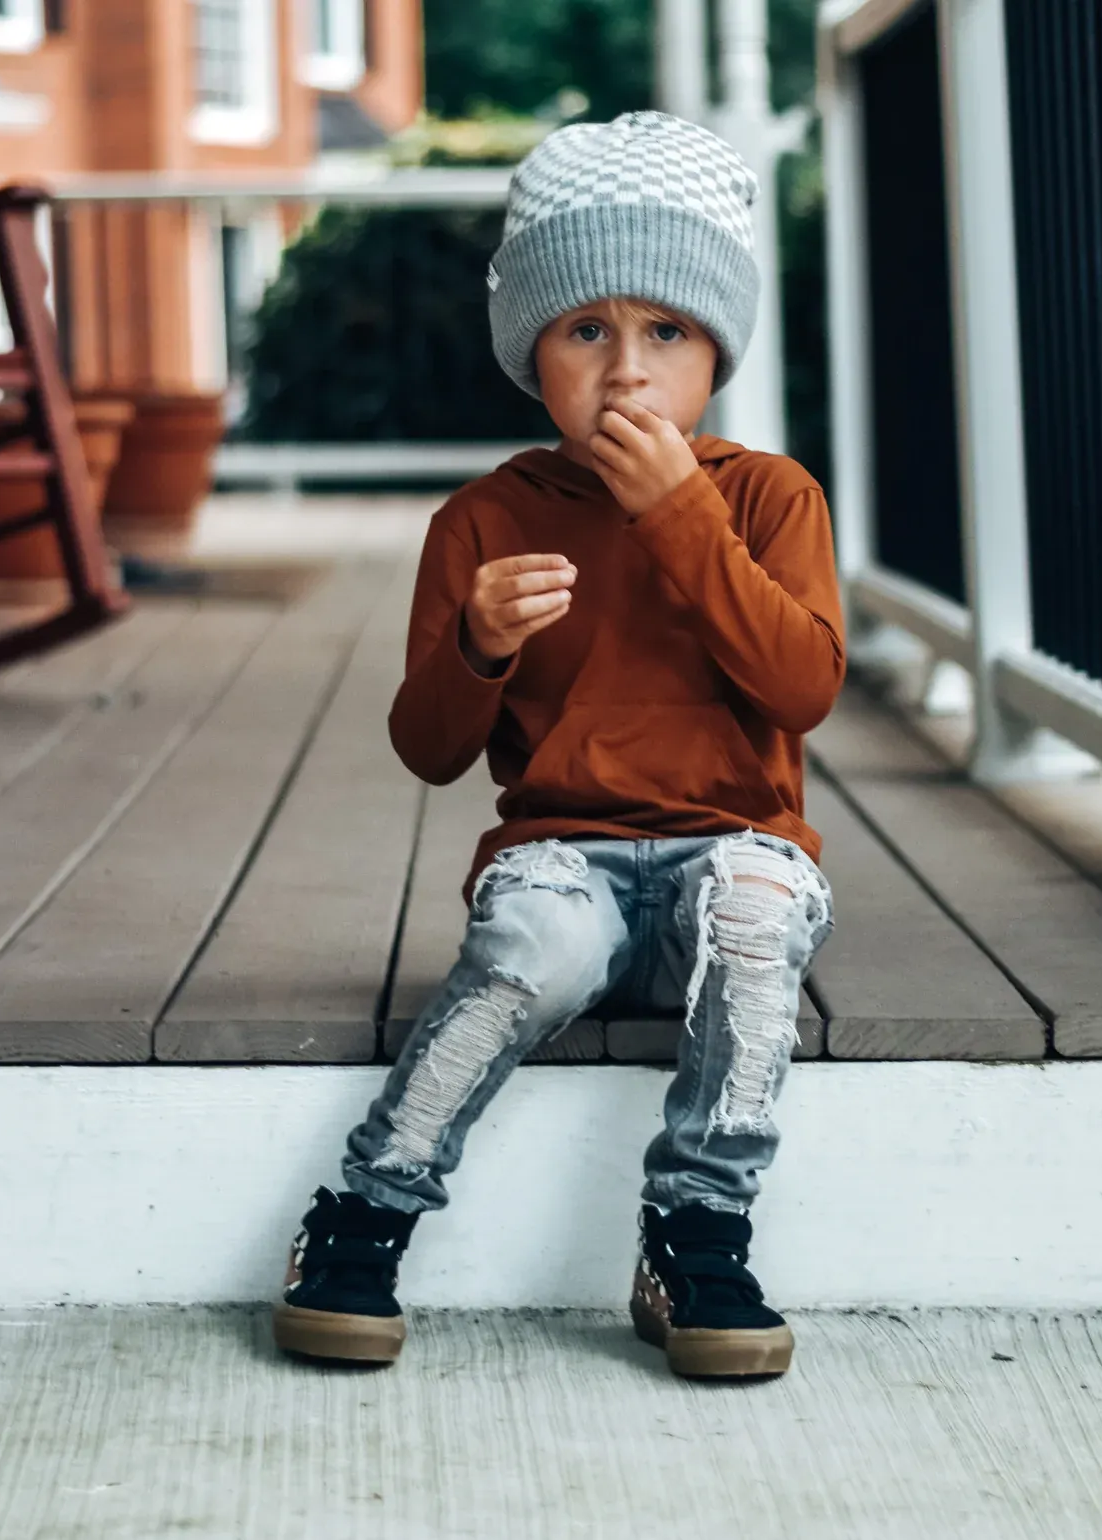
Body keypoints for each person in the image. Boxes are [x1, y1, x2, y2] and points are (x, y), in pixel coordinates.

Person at [272, 110, 844, 1380]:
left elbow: (802, 687)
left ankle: (699, 1230)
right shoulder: (487, 519)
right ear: (534, 354)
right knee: (532, 937)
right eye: (588, 331)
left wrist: (684, 519)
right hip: (566, 858)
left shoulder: (766, 498)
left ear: (718, 356)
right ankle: (365, 1212)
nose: (628, 371)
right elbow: (427, 750)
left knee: (757, 905)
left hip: (733, 851)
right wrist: (476, 647)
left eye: (667, 333)